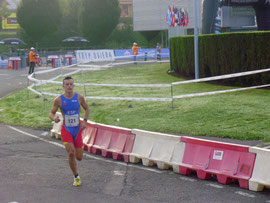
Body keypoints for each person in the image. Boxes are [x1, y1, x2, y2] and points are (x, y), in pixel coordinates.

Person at [49, 76, 90, 186]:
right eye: (66, 84)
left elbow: (87, 109)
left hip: (77, 130)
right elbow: (51, 113)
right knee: (71, 153)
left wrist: (84, 121)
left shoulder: (79, 98)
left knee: (79, 157)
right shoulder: (58, 100)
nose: (69, 86)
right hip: (66, 130)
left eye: (71, 84)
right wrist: (54, 119)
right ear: (63, 86)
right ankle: (76, 176)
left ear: (74, 85)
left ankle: (76, 161)